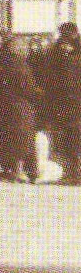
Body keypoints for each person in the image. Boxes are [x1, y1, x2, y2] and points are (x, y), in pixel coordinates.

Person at [0, 36, 41, 183]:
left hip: (7, 105)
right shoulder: (21, 65)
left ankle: (14, 170)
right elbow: (28, 89)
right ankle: (29, 172)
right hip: (22, 107)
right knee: (24, 139)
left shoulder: (2, 64)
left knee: (11, 138)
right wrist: (38, 94)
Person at [48, 22, 81, 185]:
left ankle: (74, 172)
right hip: (66, 104)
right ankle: (72, 171)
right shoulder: (58, 54)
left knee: (73, 138)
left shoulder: (70, 56)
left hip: (73, 103)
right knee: (69, 139)